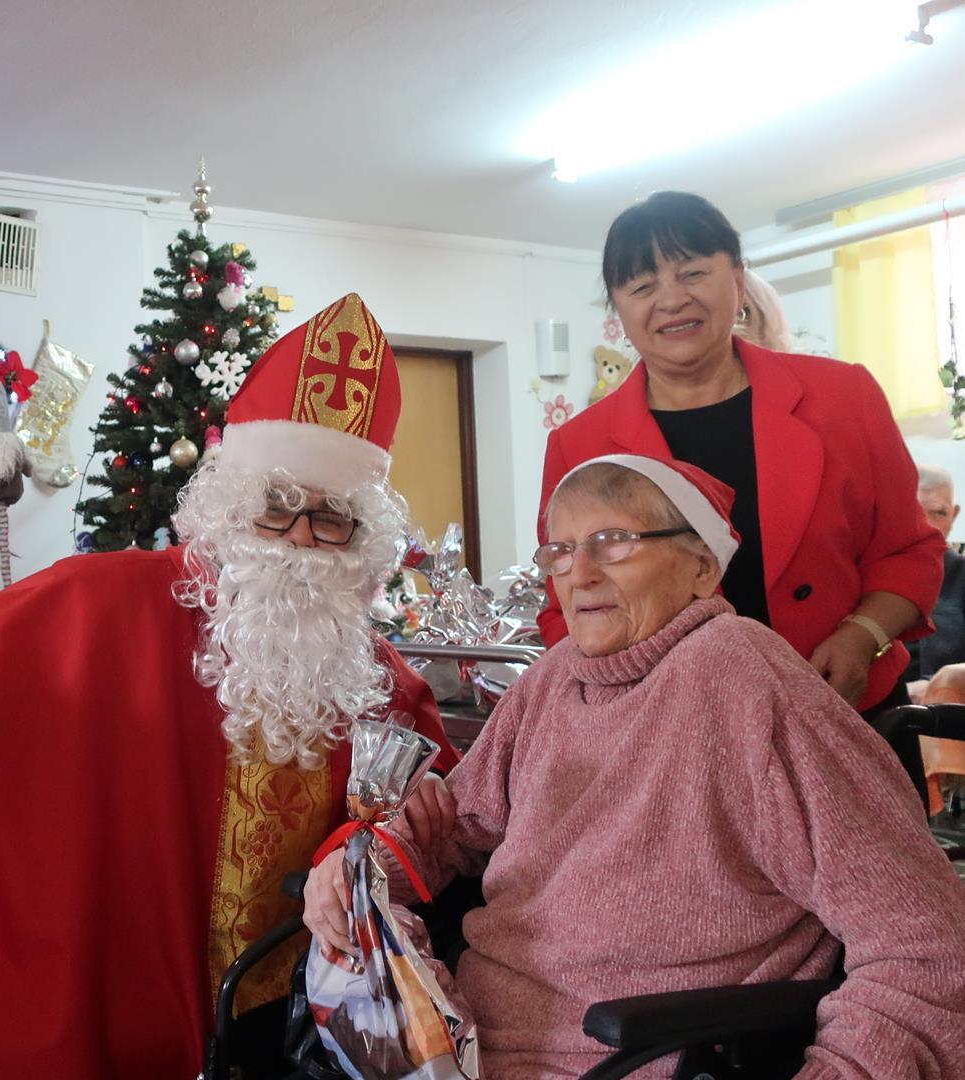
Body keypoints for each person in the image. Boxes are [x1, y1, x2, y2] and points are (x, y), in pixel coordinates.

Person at [0, 293, 457, 1079]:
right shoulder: (115, 598)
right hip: (137, 996)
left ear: (362, 538)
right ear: (234, 505)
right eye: (278, 507)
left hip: (308, 1022)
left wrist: (390, 828)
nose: (301, 537)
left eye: (332, 517)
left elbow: (432, 804)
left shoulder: (369, 671)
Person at [307, 455, 965, 1076]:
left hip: (630, 1060)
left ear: (702, 567)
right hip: (459, 1048)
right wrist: (356, 877)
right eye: (561, 551)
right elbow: (454, 827)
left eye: (614, 542)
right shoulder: (553, 679)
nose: (580, 574)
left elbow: (927, 950)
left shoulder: (748, 685)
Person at [541, 191, 945, 719]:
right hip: (675, 726)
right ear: (618, 309)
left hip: (846, 706)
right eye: (642, 286)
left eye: (693, 273)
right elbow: (565, 606)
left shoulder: (843, 397)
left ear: (737, 277)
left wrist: (862, 635)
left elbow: (908, 552)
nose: (672, 300)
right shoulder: (580, 444)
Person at [907, 464, 965, 681]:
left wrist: (940, 684)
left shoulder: (961, 575)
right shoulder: (862, 577)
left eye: (939, 513)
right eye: (916, 513)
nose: (929, 527)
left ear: (954, 515)